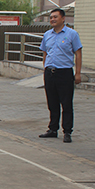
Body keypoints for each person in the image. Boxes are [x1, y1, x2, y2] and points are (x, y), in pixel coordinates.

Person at [38, 8, 82, 143]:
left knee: (66, 104)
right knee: (52, 103)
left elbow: (78, 54)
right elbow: (45, 52)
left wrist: (78, 73)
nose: (52, 19)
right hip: (50, 73)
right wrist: (45, 67)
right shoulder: (47, 35)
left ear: (63, 19)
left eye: (55, 17)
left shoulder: (72, 34)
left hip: (65, 73)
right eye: (51, 17)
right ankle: (52, 129)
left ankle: (67, 131)